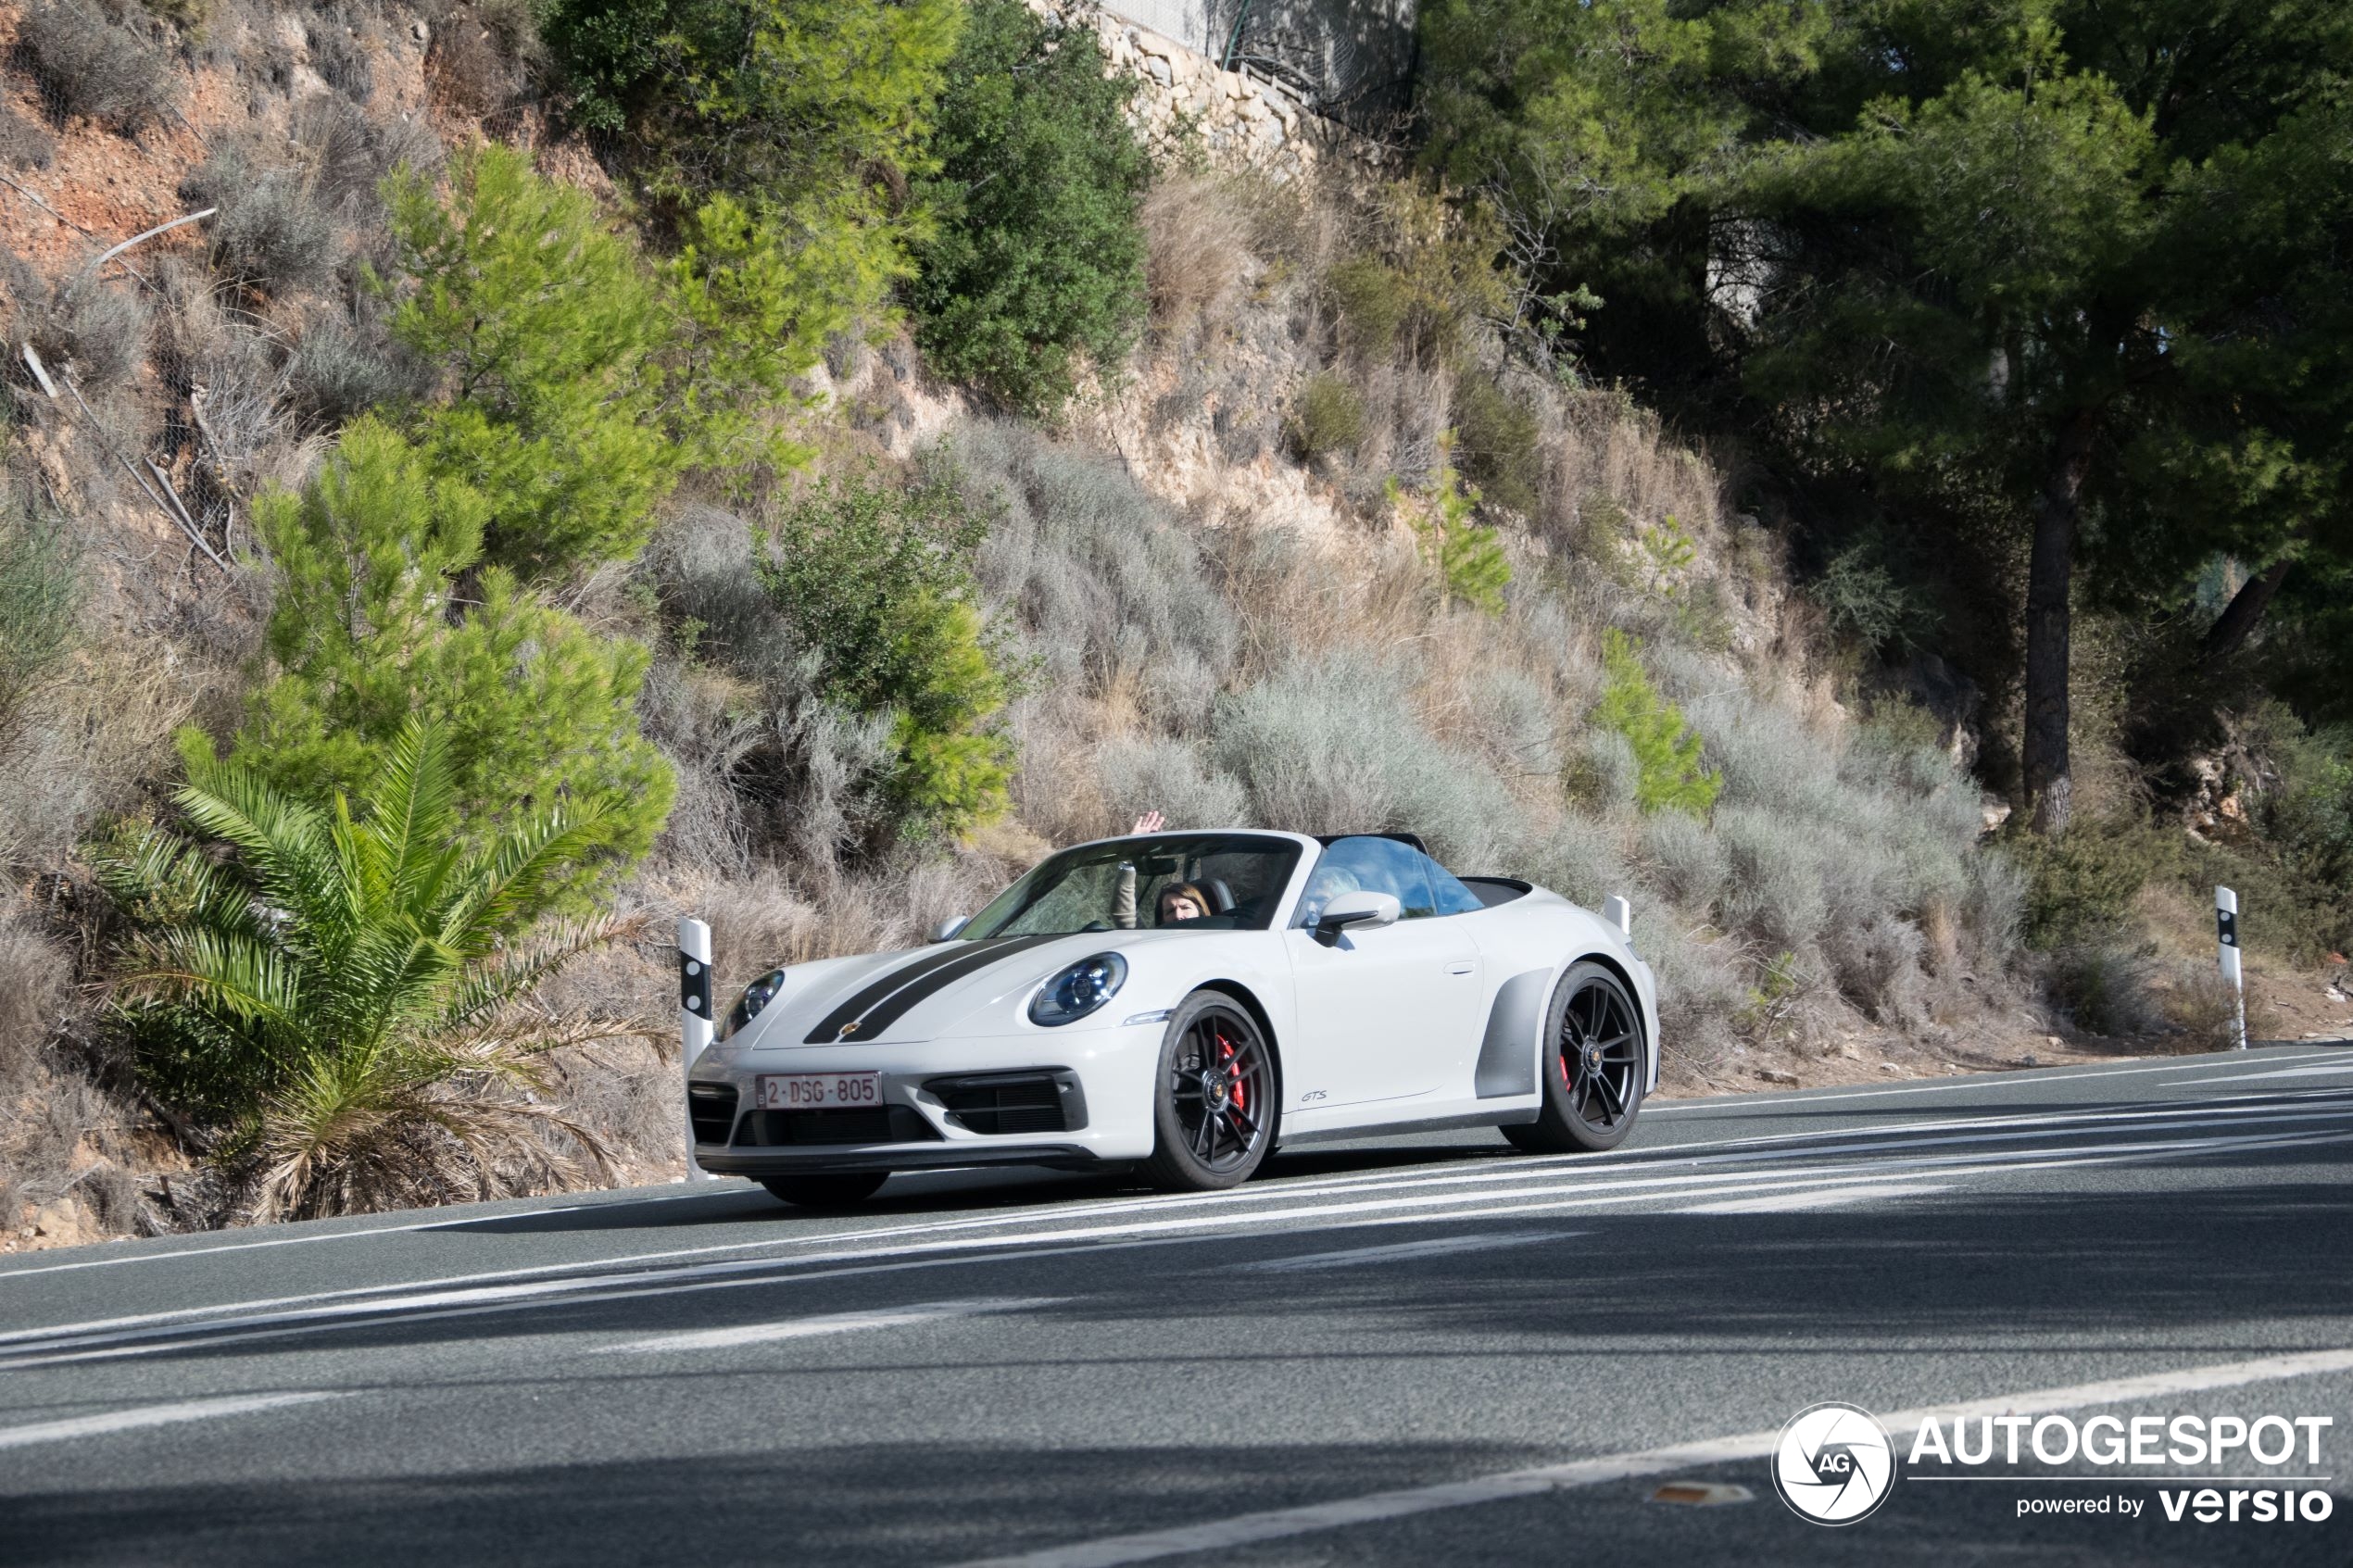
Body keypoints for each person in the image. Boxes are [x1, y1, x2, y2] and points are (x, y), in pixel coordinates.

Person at [1113, 811, 1209, 928]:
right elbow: (1125, 915)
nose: (1178, 916)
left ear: (1201, 911)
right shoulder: (1152, 943)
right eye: (1170, 911)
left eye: (1185, 908)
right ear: (1161, 920)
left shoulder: (1225, 936)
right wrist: (1131, 852)